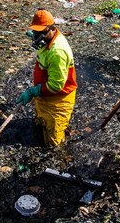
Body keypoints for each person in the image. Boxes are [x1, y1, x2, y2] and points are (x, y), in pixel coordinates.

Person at [16, 9, 77, 146]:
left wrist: (33, 91)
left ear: (52, 29)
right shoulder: (48, 41)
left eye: (42, 32)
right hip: (44, 94)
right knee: (40, 123)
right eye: (35, 32)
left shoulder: (57, 52)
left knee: (53, 141)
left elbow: (56, 86)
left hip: (58, 99)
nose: (38, 36)